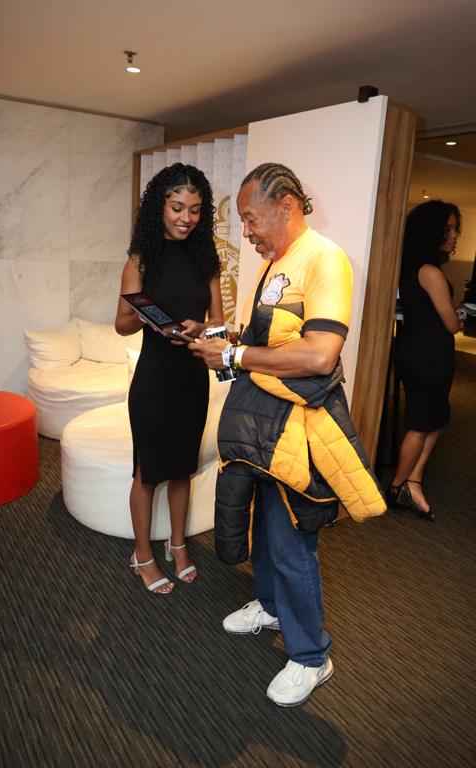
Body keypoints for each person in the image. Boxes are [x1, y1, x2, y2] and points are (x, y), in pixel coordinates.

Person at [191, 162, 386, 706]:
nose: (247, 231)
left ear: (287, 206)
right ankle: (271, 605)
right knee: (264, 526)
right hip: (262, 420)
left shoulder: (324, 258)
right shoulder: (276, 262)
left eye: (251, 219)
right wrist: (224, 339)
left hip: (298, 427)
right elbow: (271, 342)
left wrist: (234, 356)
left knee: (292, 539)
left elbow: (319, 354)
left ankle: (310, 656)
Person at [115, 163, 223, 594]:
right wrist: (147, 319)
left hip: (192, 380)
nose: (185, 218)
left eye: (195, 210)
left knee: (182, 469)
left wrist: (202, 328)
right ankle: (142, 554)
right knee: (148, 472)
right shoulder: (140, 260)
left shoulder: (206, 261)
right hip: (155, 380)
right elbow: (121, 325)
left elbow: (219, 324)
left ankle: (177, 544)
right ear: (159, 207)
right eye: (177, 207)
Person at [386, 200, 463, 520]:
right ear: (431, 232)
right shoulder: (430, 272)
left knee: (434, 418)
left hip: (419, 349)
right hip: (428, 354)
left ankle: (413, 482)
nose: (455, 235)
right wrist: (461, 316)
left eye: (455, 228)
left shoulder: (411, 269)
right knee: (421, 424)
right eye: (448, 229)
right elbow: (451, 324)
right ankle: (397, 488)